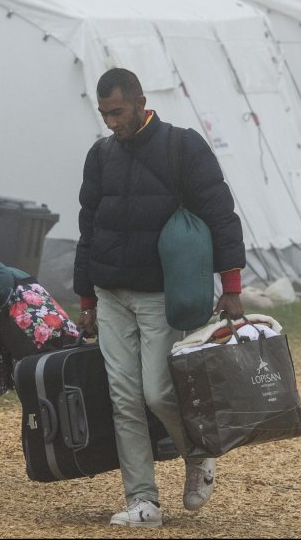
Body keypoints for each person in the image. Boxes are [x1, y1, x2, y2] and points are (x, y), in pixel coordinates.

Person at [74, 68, 245, 527]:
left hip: (159, 297)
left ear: (141, 101)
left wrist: (231, 289)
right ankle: (142, 502)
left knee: (158, 392)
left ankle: (198, 453)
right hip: (110, 294)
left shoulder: (182, 146)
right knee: (123, 399)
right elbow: (88, 226)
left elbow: (221, 214)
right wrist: (85, 299)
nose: (111, 122)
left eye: (118, 112)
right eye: (104, 114)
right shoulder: (100, 155)